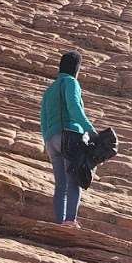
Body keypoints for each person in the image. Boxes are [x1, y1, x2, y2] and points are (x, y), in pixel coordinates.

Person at [39, 50, 97, 227]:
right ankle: (70, 221)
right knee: (74, 181)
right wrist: (90, 129)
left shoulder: (49, 90)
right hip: (69, 135)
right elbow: (74, 108)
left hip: (51, 140)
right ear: (77, 69)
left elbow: (43, 119)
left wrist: (48, 140)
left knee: (60, 185)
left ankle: (59, 223)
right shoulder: (71, 82)